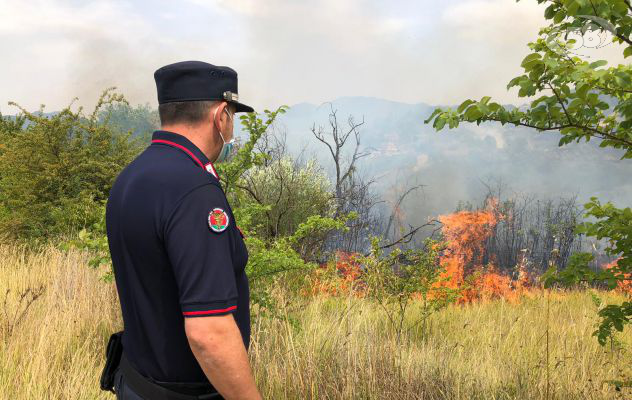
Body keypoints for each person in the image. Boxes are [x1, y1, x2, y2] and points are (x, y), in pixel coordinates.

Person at [105, 61, 263, 400]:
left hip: (135, 382)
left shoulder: (131, 177)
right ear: (221, 116)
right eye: (232, 116)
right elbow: (209, 332)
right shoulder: (195, 192)